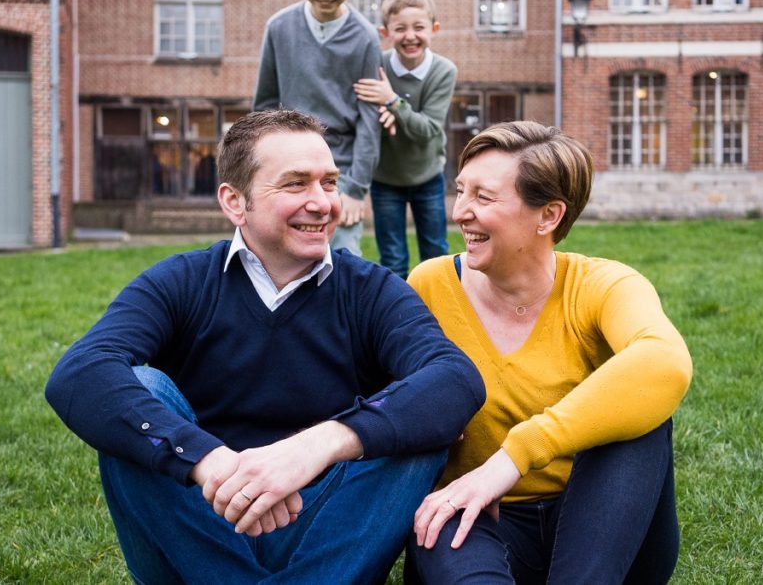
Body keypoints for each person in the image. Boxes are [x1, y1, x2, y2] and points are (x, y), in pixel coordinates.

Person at [45, 110, 486, 585]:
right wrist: (207, 463)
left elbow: (456, 379)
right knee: (137, 393)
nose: (322, 203)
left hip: (323, 531)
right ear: (235, 202)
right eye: (296, 184)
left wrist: (314, 448)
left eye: (329, 183)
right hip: (192, 523)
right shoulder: (183, 281)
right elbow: (79, 373)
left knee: (414, 422)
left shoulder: (370, 290)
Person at [405, 121, 693, 584]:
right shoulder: (429, 284)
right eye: (460, 191)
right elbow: (388, 397)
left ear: (549, 216)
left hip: (598, 531)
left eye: (484, 197)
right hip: (477, 517)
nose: (460, 211)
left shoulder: (603, 285)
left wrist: (512, 458)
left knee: (641, 414)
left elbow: (666, 361)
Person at [253, 0, 381, 256]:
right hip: (288, 163)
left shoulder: (365, 37)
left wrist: (355, 189)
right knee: (282, 255)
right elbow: (264, 106)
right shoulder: (278, 28)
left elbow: (369, 120)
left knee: (342, 260)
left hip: (340, 169)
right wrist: (262, 169)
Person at [353, 0, 457, 279]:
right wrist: (384, 113)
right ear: (385, 31)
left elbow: (427, 130)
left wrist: (392, 102)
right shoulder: (377, 66)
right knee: (393, 258)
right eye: (400, 28)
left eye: (419, 27)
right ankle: (396, 318)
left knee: (436, 254)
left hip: (427, 176)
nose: (410, 36)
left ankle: (439, 315)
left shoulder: (444, 71)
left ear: (434, 29)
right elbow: (364, 117)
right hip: (385, 179)